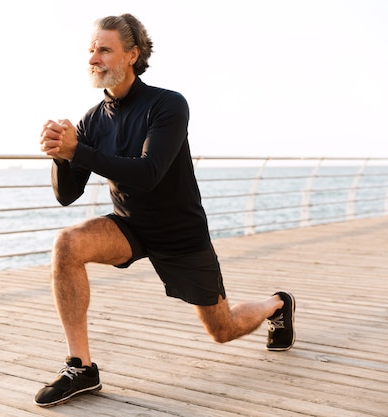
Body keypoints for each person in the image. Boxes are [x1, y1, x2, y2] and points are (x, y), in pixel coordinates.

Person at [34, 13, 295, 408]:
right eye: (91, 49)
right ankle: (81, 367)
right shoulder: (91, 120)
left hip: (180, 234)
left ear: (133, 55)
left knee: (222, 330)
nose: (94, 57)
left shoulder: (167, 105)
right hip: (129, 227)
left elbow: (149, 173)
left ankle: (277, 303)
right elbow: (67, 195)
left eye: (105, 49)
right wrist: (60, 155)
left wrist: (77, 150)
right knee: (68, 245)